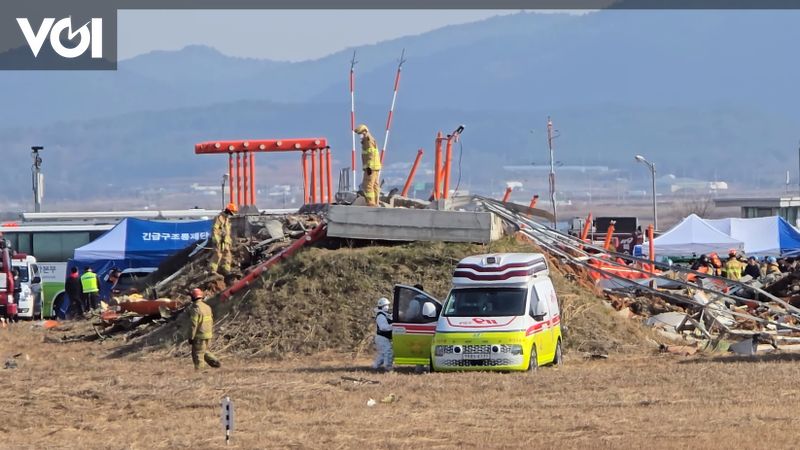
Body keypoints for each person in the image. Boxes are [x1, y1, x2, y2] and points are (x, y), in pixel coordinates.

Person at [187, 288, 221, 370]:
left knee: (197, 354)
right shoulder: (207, 307)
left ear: (193, 297)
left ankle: (200, 372)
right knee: (203, 350)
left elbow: (193, 324)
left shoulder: (195, 309)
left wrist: (191, 337)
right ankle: (214, 361)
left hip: (199, 335)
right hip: (208, 334)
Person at [354, 124, 382, 207]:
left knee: (367, 185)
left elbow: (371, 154)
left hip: (371, 167)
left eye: (360, 134)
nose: (360, 136)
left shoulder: (368, 141)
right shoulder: (368, 140)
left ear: (365, 132)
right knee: (375, 185)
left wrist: (369, 167)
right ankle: (375, 203)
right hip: (375, 167)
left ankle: (371, 204)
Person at [210, 203, 237, 275]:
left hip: (226, 241)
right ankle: (213, 270)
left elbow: (228, 231)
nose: (231, 215)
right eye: (231, 213)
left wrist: (230, 241)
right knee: (218, 255)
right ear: (228, 211)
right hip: (219, 240)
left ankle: (226, 270)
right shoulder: (219, 218)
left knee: (227, 255)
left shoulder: (227, 219)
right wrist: (216, 240)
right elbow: (214, 230)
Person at [372, 297, 393, 372]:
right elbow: (383, 327)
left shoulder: (385, 314)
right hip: (382, 337)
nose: (387, 306)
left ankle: (375, 367)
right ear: (382, 306)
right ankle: (388, 368)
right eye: (386, 305)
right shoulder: (380, 315)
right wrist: (393, 326)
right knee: (388, 351)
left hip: (384, 337)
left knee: (382, 354)